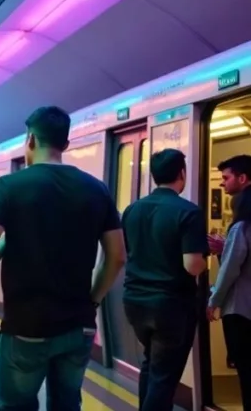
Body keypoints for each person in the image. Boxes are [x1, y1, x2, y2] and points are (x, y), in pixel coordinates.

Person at [0, 105, 125, 411]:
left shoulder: (9, 186)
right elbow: (117, 257)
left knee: (18, 406)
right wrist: (92, 300)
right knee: (67, 404)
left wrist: (4, 246)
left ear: (30, 139)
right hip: (77, 325)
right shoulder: (97, 190)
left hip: (25, 327)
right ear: (65, 145)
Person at [121, 148, 207, 411]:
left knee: (152, 364)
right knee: (164, 377)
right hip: (171, 305)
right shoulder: (188, 212)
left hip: (135, 301)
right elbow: (192, 266)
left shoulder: (132, 209)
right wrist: (208, 257)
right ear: (182, 173)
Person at [208, 154, 251, 410]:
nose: (222, 184)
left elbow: (232, 270)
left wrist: (214, 300)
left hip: (240, 309)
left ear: (243, 179)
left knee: (245, 369)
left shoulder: (241, 225)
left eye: (226, 178)